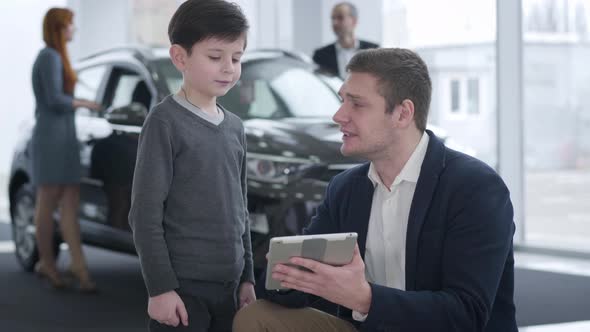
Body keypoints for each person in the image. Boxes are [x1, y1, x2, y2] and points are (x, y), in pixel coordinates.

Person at [233, 48, 517, 332]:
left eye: (356, 104)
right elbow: (298, 291)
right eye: (342, 100)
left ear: (403, 114)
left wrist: (365, 299)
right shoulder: (345, 189)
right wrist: (287, 278)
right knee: (256, 317)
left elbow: (466, 315)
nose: (338, 115)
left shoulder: (475, 188)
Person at [128, 1, 255, 331]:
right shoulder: (164, 123)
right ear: (180, 57)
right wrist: (160, 288)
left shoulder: (236, 128)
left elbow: (241, 210)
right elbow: (144, 213)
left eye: (236, 58)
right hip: (183, 289)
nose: (228, 68)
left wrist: (248, 277)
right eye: (215, 57)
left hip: (229, 286)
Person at [31, 7, 101, 292]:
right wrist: (85, 103)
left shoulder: (58, 56)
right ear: (59, 27)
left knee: (69, 201)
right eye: (71, 24)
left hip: (64, 135)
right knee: (47, 200)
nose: (74, 29)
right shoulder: (49, 56)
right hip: (51, 137)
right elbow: (55, 99)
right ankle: (47, 263)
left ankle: (77, 264)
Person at [312, 2, 379, 78]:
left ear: (354, 21)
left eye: (340, 18)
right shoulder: (320, 55)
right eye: (333, 18)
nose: (335, 23)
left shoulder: (373, 51)